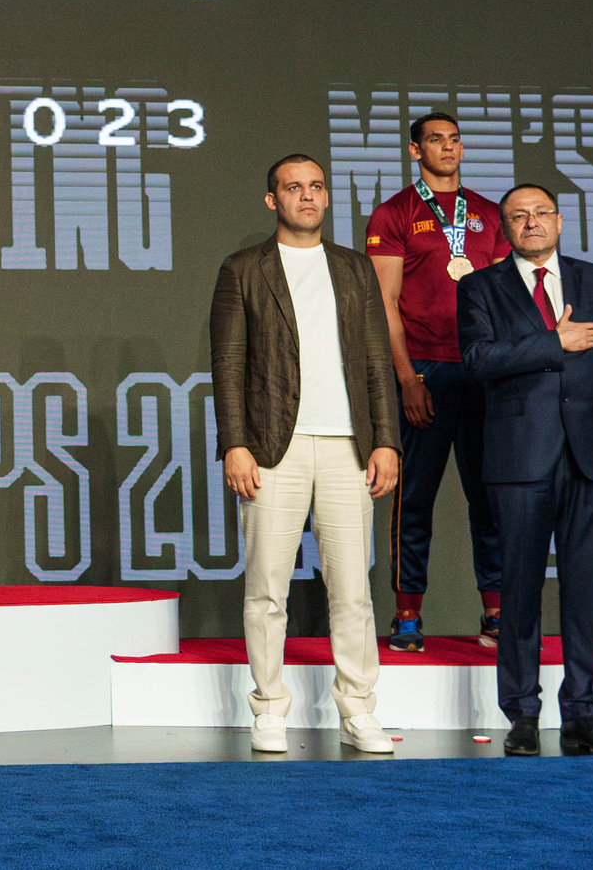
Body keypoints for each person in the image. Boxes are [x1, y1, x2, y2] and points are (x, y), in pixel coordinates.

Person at [211, 154, 401, 757]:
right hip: (271, 447)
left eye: (316, 187)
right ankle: (268, 710)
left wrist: (386, 440)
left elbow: (376, 360)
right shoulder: (243, 269)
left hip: (348, 447)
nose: (308, 196)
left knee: (352, 590)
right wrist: (235, 444)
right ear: (274, 200)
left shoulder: (353, 269)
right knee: (267, 588)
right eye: (294, 188)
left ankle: (359, 711)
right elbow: (228, 365)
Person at [458, 184, 593, 755]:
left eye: (541, 214)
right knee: (518, 591)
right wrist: (551, 341)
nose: (532, 223)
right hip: (519, 456)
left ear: (560, 222)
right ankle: (521, 715)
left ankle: (583, 715)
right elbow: (478, 361)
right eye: (519, 216)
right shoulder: (479, 287)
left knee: (585, 590)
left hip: (591, 453)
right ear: (505, 228)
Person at [363, 112, 508, 651]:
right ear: (414, 151)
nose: (447, 148)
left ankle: (495, 614)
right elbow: (383, 304)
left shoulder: (491, 214)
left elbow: (500, 300)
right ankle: (406, 617)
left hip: (481, 371)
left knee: (490, 496)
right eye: (434, 141)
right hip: (425, 368)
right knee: (414, 500)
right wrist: (407, 379)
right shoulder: (394, 213)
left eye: (454, 140)